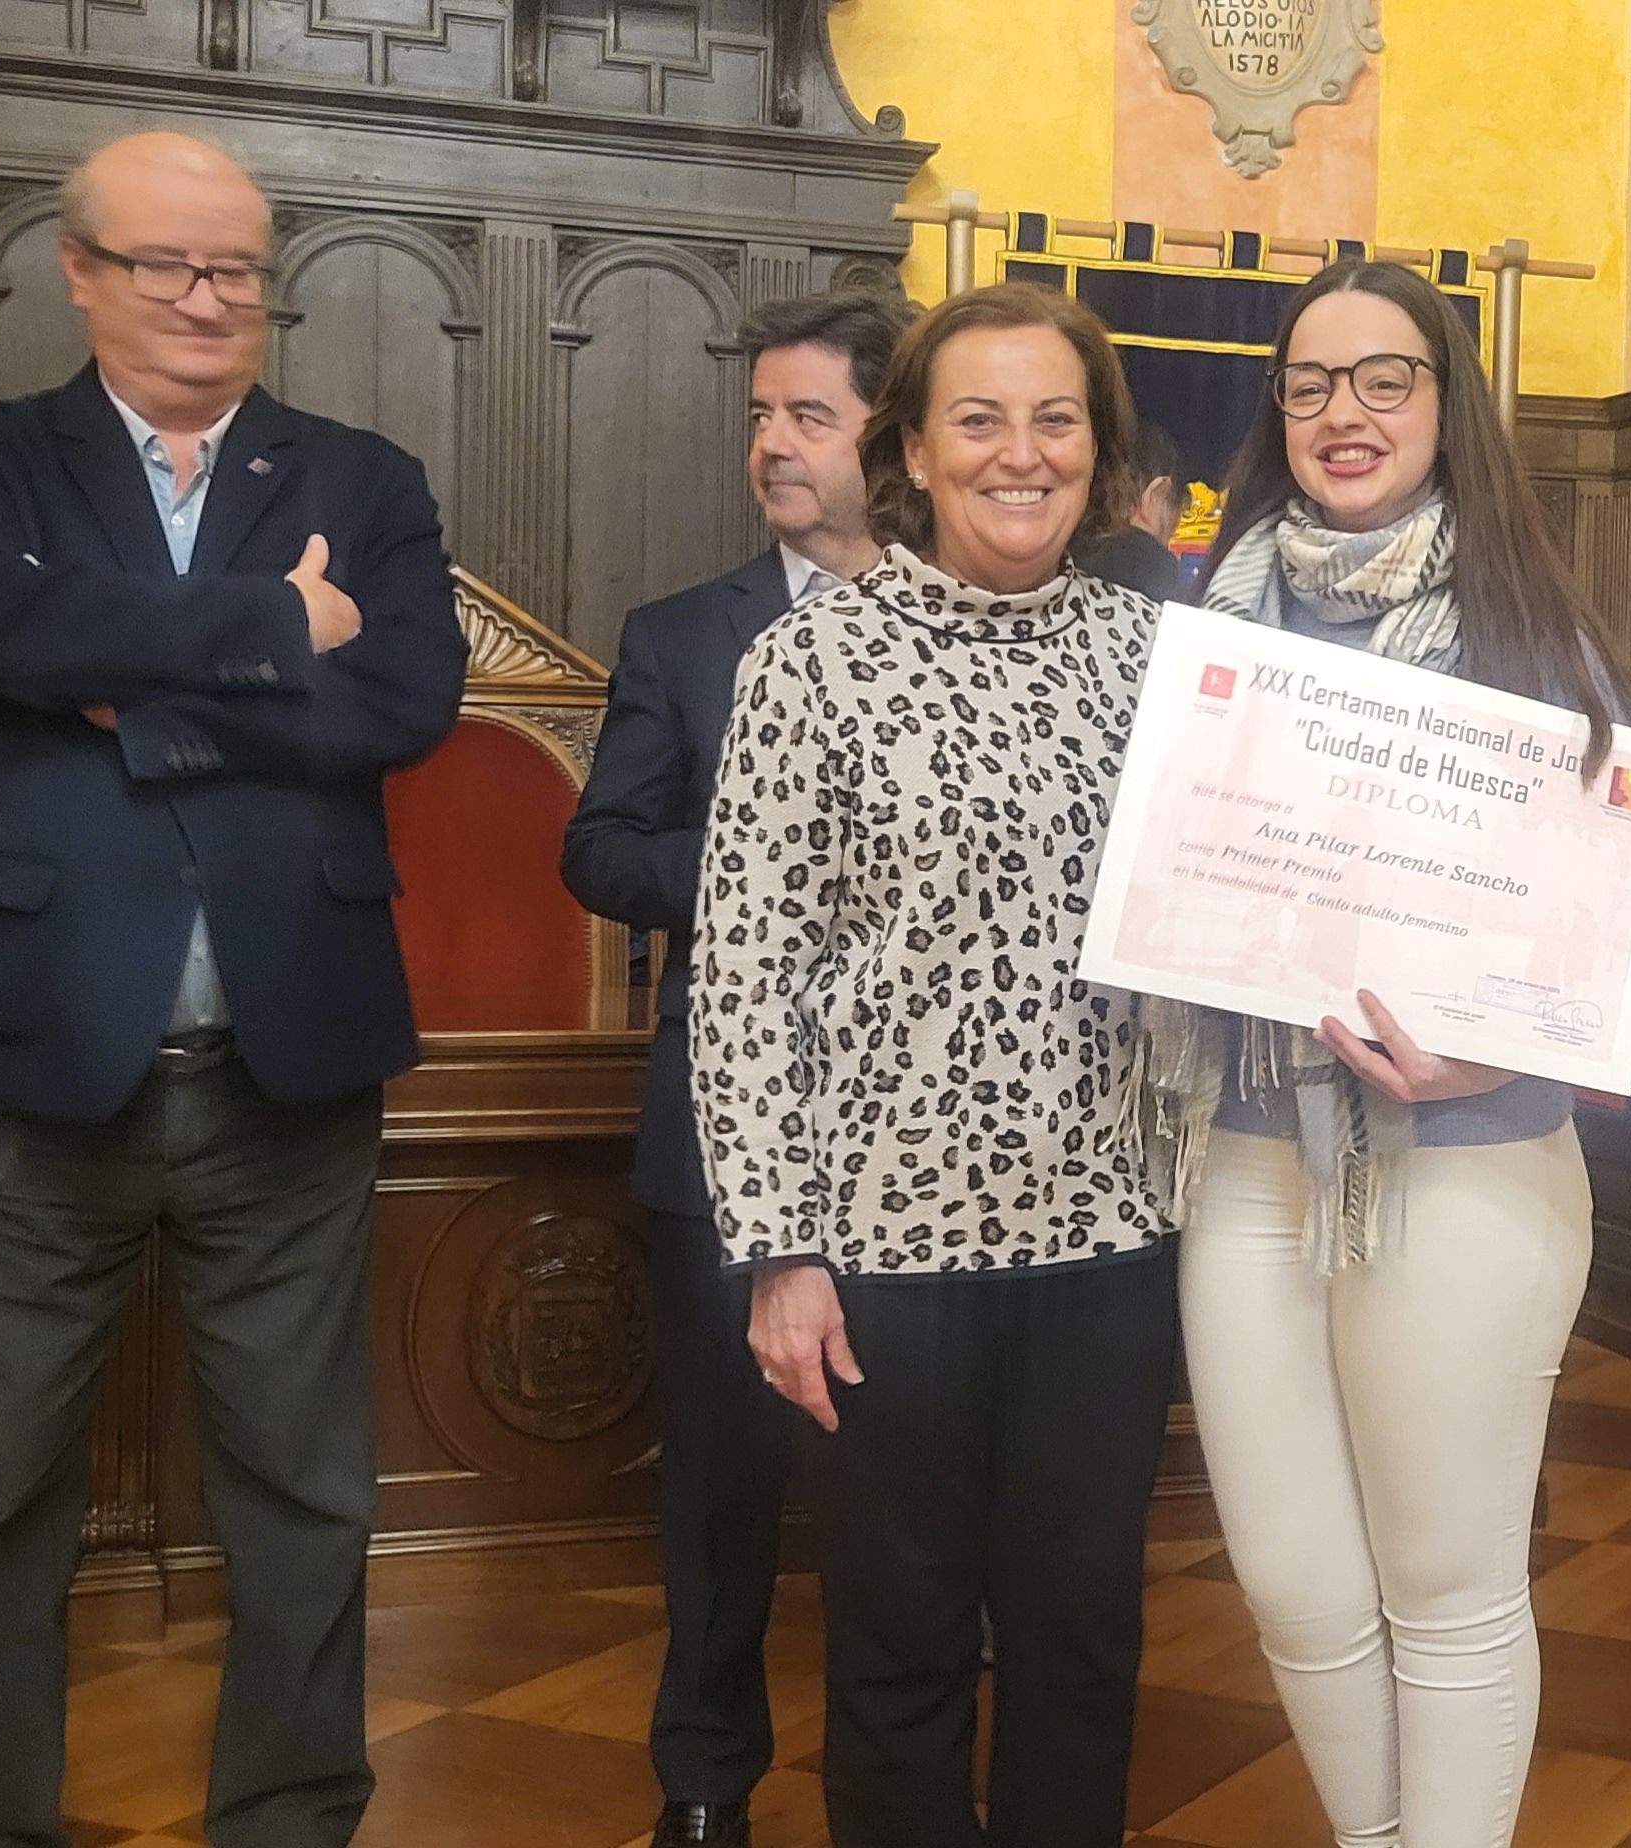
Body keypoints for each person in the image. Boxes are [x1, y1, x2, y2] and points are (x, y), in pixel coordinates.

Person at [0, 130, 465, 1848]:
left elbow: (409, 699)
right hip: (21, 1056)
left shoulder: (368, 470)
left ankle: (288, 1818)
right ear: (80, 271)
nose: (211, 302)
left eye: (239, 270)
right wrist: (281, 630)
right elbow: (5, 636)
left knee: (305, 1495)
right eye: (168, 267)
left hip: (289, 1059)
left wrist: (142, 669)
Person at [1147, 256, 1631, 1848]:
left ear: (1447, 407)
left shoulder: (1534, 634)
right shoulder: (1203, 621)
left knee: (1444, 1589)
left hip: (1460, 1175)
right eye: (1311, 384)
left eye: (1386, 378)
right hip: (1244, 1165)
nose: (1344, 413)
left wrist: (1487, 1044)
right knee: (1299, 1588)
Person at [692, 281, 1176, 1848]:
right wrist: (780, 1250)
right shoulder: (811, 662)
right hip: (888, 1252)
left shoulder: (1165, 668)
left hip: (1112, 1240)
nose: (1019, 454)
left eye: (1057, 421)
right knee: (898, 1655)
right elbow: (749, 975)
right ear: (913, 444)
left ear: (1101, 457)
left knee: (1083, 1644)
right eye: (980, 418)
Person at [559, 283, 907, 1848]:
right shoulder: (684, 635)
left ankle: (899, 1779)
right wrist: (782, 862)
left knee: (914, 1490)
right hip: (723, 1134)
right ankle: (704, 1787)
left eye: (808, 417)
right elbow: (601, 848)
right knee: (719, 1493)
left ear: (887, 441)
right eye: (760, 414)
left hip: (926, 1145)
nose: (771, 443)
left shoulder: (969, 621)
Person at [1072, 418, 1187, 598]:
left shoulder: (1053, 557)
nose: (1166, 546)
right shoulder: (1150, 567)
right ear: (1157, 493)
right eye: (1170, 532)